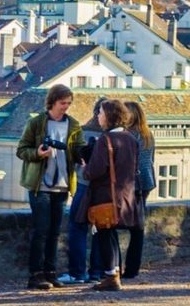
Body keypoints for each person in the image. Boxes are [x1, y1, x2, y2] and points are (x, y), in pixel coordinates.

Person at [16, 84, 86, 291]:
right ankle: (36, 274)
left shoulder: (73, 125)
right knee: (41, 230)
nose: (66, 107)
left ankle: (50, 272)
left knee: (55, 232)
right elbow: (22, 150)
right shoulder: (37, 123)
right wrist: (37, 153)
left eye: (68, 103)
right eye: (63, 103)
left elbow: (78, 149)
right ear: (53, 102)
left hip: (62, 185)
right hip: (40, 184)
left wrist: (83, 156)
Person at [78, 99, 140, 292]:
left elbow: (95, 170)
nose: (98, 116)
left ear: (110, 116)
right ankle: (114, 273)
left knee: (105, 235)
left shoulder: (105, 140)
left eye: (101, 113)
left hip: (105, 195)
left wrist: (84, 168)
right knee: (110, 235)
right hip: (126, 194)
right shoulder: (131, 138)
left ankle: (111, 275)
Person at [92, 100, 154, 282]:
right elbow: (150, 160)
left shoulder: (128, 136)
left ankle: (114, 267)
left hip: (130, 184)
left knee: (113, 224)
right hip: (145, 182)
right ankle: (132, 268)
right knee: (137, 228)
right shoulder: (148, 135)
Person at [59, 105, 106, 287]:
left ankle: (77, 272)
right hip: (103, 189)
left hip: (84, 185)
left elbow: (73, 158)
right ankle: (97, 271)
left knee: (77, 227)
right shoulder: (115, 136)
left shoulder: (83, 133)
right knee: (102, 229)